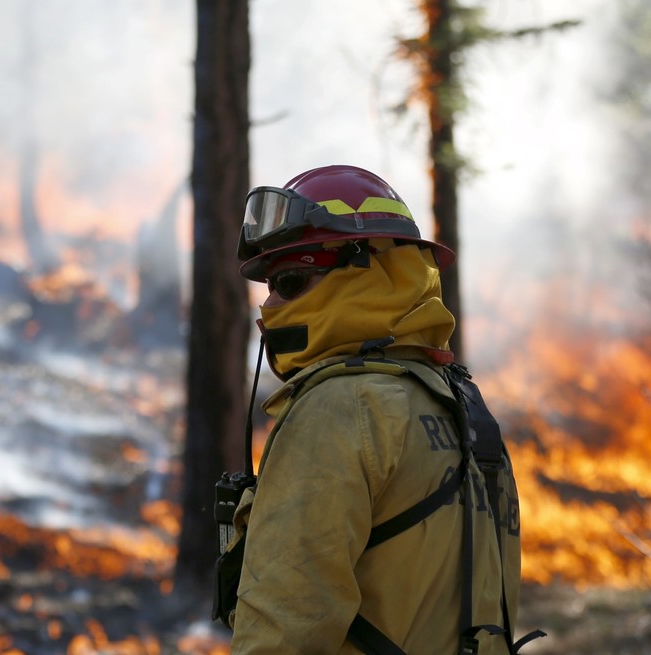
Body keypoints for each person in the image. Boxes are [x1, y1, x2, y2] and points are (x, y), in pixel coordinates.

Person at [224, 164, 526, 654]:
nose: (271, 304)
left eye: (293, 280)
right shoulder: (464, 409)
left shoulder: (337, 411)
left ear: (368, 269)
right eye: (269, 286)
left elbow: (282, 629)